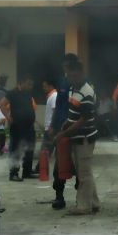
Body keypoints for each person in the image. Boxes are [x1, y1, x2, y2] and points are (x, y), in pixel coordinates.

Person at [54, 60, 100, 215]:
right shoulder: (74, 89)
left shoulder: (87, 91)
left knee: (84, 174)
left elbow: (83, 119)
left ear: (80, 73)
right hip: (77, 136)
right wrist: (65, 124)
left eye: (73, 76)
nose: (70, 79)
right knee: (85, 172)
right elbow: (74, 114)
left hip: (84, 138)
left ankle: (83, 206)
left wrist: (64, 133)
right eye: (68, 76)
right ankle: (93, 203)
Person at [50, 53, 80, 210]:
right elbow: (58, 105)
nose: (65, 68)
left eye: (67, 66)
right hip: (61, 129)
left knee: (79, 164)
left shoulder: (82, 83)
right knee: (59, 164)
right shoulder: (62, 82)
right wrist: (53, 126)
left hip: (77, 130)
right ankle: (59, 196)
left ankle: (81, 195)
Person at [0, 75, 37, 182]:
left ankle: (27, 172)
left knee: (30, 148)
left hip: (29, 126)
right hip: (17, 126)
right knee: (16, 149)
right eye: (29, 84)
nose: (30, 86)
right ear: (22, 83)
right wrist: (8, 117)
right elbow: (2, 104)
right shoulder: (12, 93)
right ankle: (14, 173)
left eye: (31, 85)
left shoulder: (28, 93)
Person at [41, 78, 58, 155]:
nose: (43, 88)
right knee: (47, 151)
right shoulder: (50, 96)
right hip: (49, 127)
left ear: (51, 86)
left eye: (45, 86)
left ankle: (41, 167)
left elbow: (55, 111)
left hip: (50, 128)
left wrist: (51, 126)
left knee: (44, 152)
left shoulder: (54, 96)